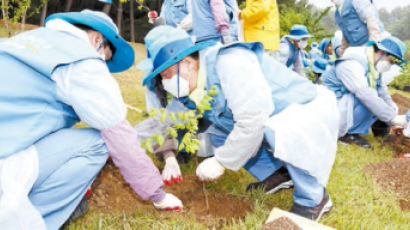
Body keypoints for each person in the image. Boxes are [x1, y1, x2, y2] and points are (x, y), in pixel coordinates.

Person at [0, 10, 182, 230]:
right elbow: (120, 138)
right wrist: (157, 194)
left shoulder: (23, 40)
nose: (101, 66)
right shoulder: (82, 61)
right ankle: (22, 222)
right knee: (99, 142)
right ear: (97, 40)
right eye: (104, 58)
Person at [138, 25, 340, 221]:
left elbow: (254, 119)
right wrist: (124, 141)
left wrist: (221, 161)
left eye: (166, 75)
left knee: (273, 129)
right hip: (268, 116)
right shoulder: (191, 84)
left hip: (303, 110)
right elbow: (164, 121)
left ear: (187, 63)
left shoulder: (231, 62)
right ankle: (277, 174)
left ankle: (313, 198)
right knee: (217, 131)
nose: (165, 83)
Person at [321, 36, 407, 149]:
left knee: (382, 103)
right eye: (390, 61)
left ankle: (377, 127)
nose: (390, 65)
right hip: (330, 109)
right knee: (368, 98)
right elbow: (363, 93)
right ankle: (347, 135)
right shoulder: (352, 63)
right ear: (381, 52)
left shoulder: (374, 69)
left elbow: (383, 92)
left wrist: (394, 117)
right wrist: (390, 117)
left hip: (344, 104)